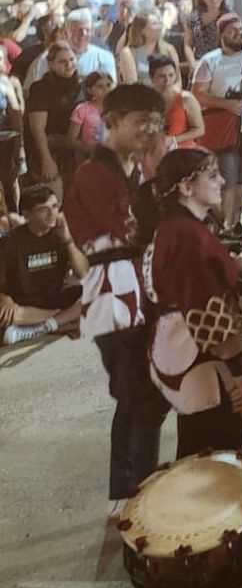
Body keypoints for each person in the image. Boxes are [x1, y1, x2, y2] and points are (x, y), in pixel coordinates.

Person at [64, 82, 167, 511]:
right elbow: (132, 230)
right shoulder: (94, 173)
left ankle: (139, 481)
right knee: (135, 391)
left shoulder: (130, 169)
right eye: (141, 123)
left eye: (156, 124)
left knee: (149, 392)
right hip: (112, 289)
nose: (150, 131)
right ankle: (129, 491)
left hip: (134, 284)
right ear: (109, 123)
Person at [140, 148, 242, 458]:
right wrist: (238, 370)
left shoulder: (173, 229)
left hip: (178, 348)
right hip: (198, 355)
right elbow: (208, 316)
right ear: (186, 187)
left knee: (199, 447)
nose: (223, 180)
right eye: (213, 175)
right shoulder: (187, 235)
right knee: (216, 456)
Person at [191, 13, 242, 233]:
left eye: (241, 29)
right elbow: (198, 94)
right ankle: (224, 225)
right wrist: (227, 105)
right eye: (233, 30)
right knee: (227, 177)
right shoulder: (209, 61)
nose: (239, 33)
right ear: (222, 34)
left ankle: (235, 223)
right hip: (222, 130)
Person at [0, 184, 86, 345]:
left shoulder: (61, 234)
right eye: (43, 209)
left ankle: (39, 329)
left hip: (54, 299)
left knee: (97, 293)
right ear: (26, 215)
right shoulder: (9, 243)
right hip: (23, 307)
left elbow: (83, 274)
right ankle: (61, 322)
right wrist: (5, 299)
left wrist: (68, 241)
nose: (52, 213)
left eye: (54, 206)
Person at [25, 43, 82, 196]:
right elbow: (37, 128)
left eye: (72, 59)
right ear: (51, 64)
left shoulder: (82, 86)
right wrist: (46, 159)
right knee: (53, 199)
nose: (69, 65)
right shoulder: (40, 88)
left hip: (76, 153)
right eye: (63, 61)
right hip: (49, 151)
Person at [116, 13, 180, 86]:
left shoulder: (169, 49)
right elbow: (132, 85)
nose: (160, 27)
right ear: (142, 30)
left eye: (159, 23)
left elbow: (178, 82)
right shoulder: (128, 53)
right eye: (154, 23)